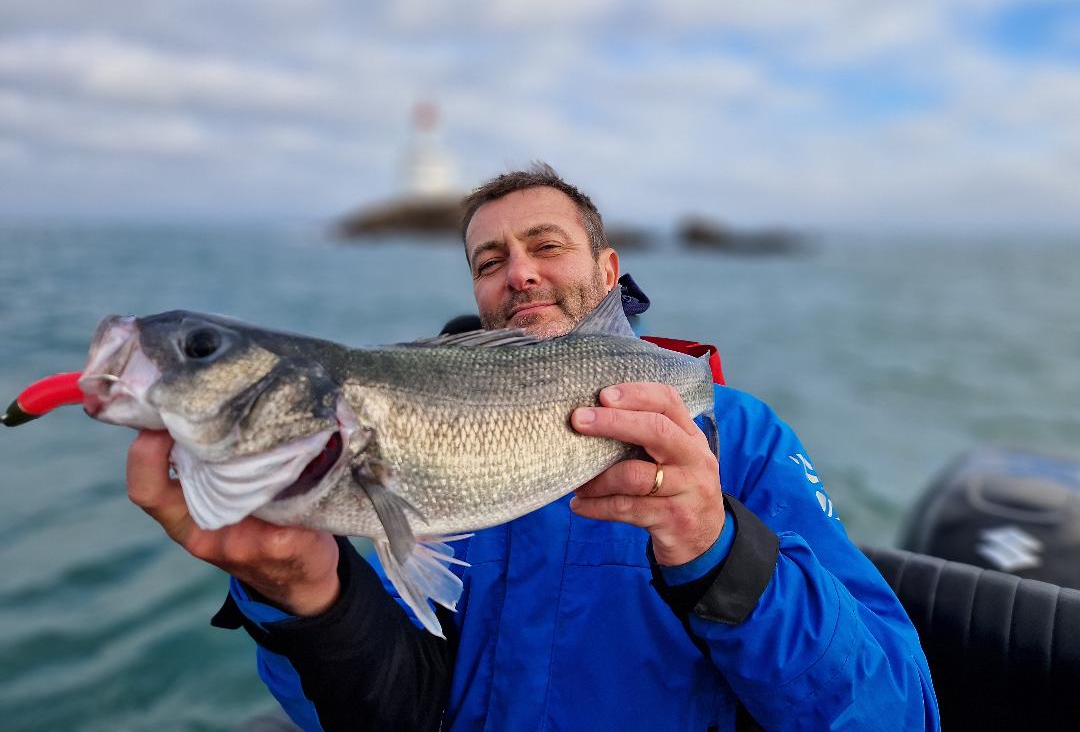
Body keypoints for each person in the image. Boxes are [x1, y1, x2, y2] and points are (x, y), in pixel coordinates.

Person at [127, 164, 939, 731]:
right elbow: (391, 710)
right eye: (491, 260)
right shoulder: (407, 436)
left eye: (546, 246)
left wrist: (720, 552)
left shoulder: (743, 435)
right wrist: (307, 598)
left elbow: (897, 715)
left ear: (609, 269)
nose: (519, 274)